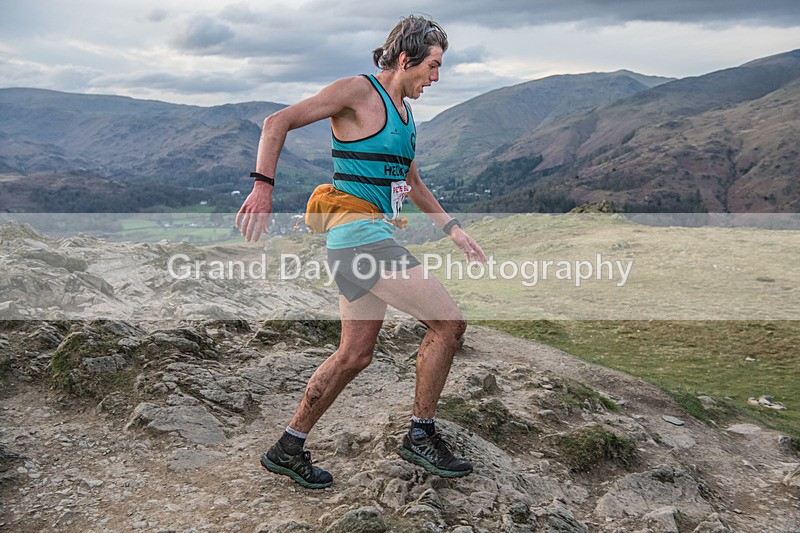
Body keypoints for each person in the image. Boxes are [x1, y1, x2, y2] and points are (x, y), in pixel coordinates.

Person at [235, 14, 487, 489]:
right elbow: (277, 121)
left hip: (369, 237)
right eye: (432, 66)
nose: (437, 77)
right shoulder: (357, 91)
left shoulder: (408, 116)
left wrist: (452, 229)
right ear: (406, 58)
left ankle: (288, 446)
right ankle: (420, 434)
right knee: (449, 323)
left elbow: (411, 183)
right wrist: (263, 188)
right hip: (359, 238)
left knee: (354, 355)